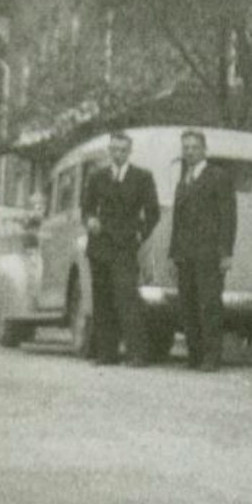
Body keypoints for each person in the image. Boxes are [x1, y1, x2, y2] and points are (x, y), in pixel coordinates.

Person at [81, 131, 160, 367]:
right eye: (114, 149)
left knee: (127, 298)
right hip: (100, 246)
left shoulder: (142, 177)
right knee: (102, 299)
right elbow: (86, 208)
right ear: (109, 150)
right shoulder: (97, 177)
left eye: (123, 150)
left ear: (129, 151)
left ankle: (137, 353)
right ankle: (107, 353)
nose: (118, 154)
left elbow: (153, 212)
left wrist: (139, 234)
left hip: (125, 246)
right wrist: (90, 220)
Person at [169, 129, 236, 372]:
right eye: (185, 147)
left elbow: (228, 217)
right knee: (187, 305)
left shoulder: (217, 176)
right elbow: (177, 220)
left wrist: (226, 252)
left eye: (194, 147)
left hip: (209, 253)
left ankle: (211, 357)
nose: (189, 151)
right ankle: (194, 355)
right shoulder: (184, 180)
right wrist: (173, 254)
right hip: (185, 254)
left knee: (209, 304)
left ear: (204, 149)